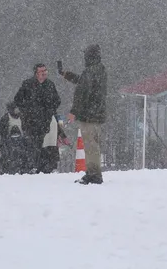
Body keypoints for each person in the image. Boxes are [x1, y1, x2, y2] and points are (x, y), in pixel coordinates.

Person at [61, 44, 108, 184]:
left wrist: (73, 111)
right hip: (97, 113)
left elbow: (82, 91)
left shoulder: (90, 71)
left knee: (90, 146)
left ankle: (94, 175)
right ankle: (93, 172)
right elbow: (84, 83)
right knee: (93, 145)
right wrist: (67, 75)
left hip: (89, 114)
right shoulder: (100, 69)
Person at [11, 63, 62, 174]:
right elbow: (18, 99)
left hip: (44, 120)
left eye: (45, 70)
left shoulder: (50, 85)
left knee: (39, 142)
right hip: (29, 120)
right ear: (36, 73)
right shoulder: (27, 84)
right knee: (30, 142)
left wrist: (50, 110)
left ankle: (37, 166)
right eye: (41, 71)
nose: (44, 73)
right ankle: (30, 166)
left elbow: (57, 100)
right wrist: (26, 110)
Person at [0, 102, 28, 175]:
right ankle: (6, 171)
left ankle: (23, 170)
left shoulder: (22, 117)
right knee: (7, 156)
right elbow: (2, 132)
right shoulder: (5, 118)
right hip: (8, 142)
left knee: (23, 155)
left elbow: (25, 129)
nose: (17, 111)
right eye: (15, 109)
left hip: (20, 141)